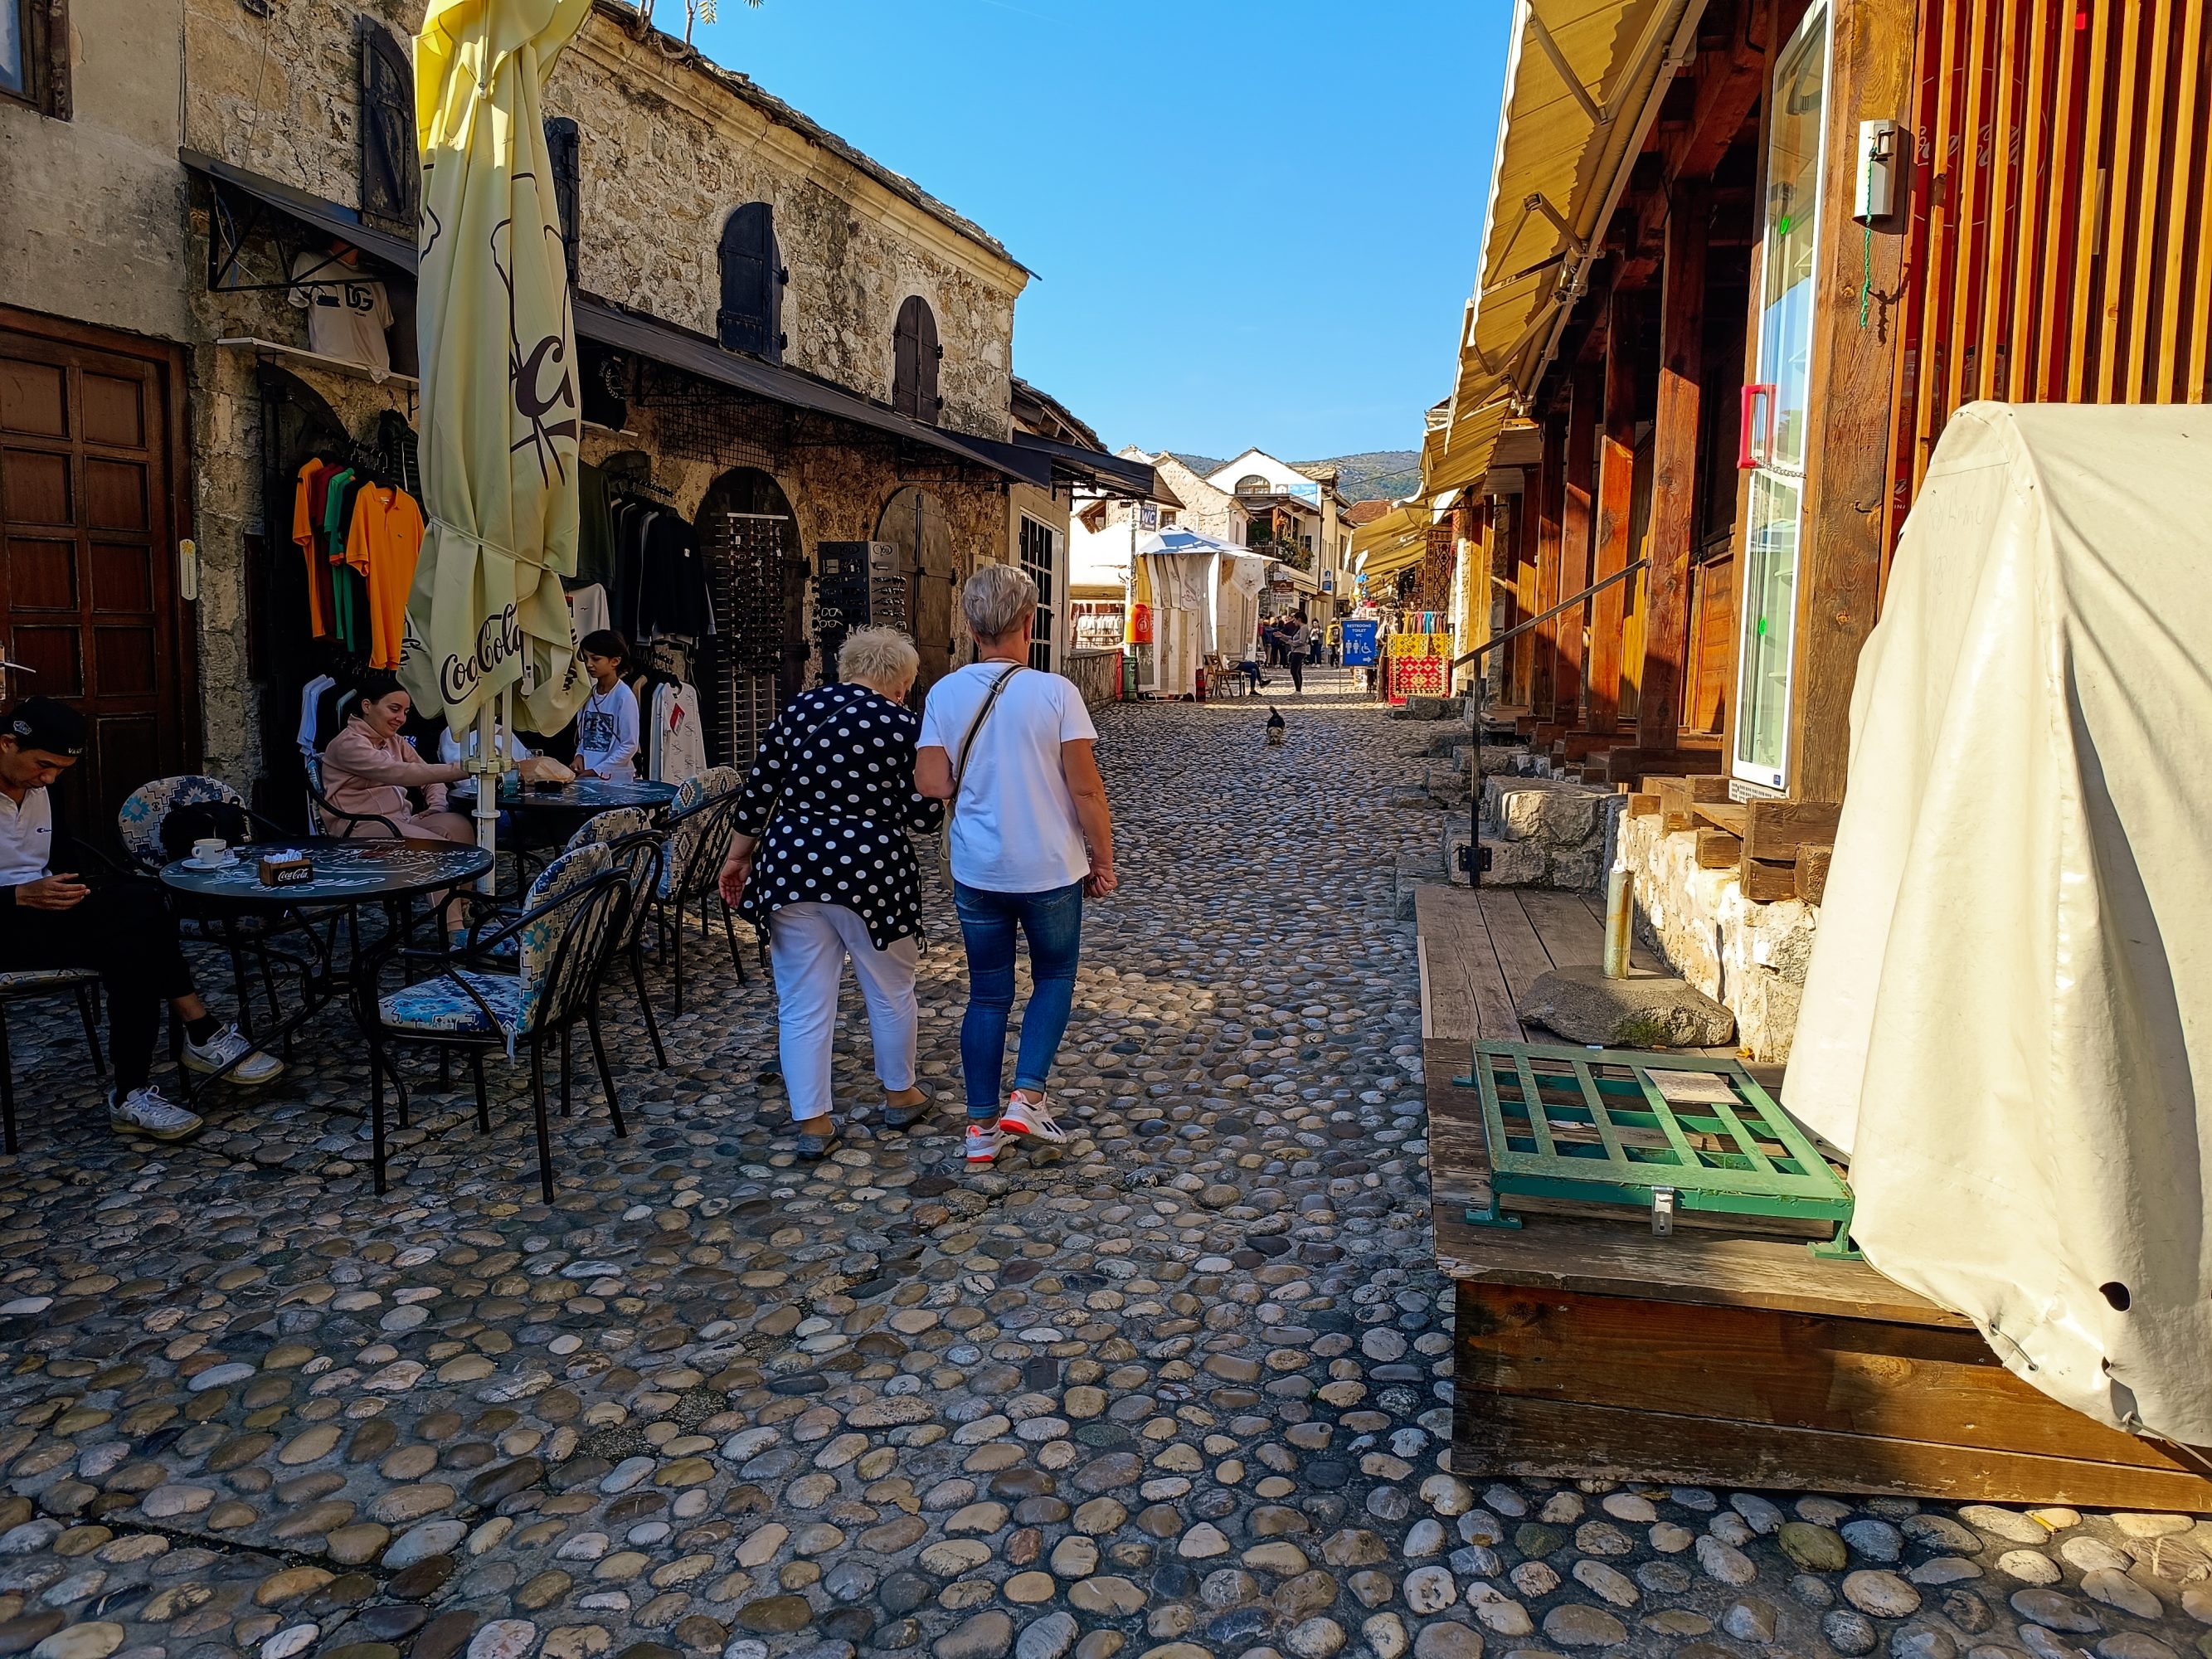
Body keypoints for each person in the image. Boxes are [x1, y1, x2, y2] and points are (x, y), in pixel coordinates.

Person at [0, 698, 281, 1141]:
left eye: (58, 770)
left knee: (144, 909)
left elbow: (62, 860)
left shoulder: (43, 787)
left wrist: (77, 890)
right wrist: (16, 895)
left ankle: (134, 1091)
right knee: (132, 936)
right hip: (5, 924)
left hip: (48, 914)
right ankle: (198, 1032)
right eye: (42, 765)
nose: (49, 778)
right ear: (6, 743)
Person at [916, 564, 1116, 1168]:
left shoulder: (944, 692)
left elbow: (930, 783)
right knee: (1053, 977)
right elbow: (1085, 791)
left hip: (979, 871)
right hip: (1050, 867)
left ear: (970, 626)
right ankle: (1027, 1096)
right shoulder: (1055, 692)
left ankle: (980, 1130)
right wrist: (1102, 860)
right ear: (1028, 621)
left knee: (987, 995)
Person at [717, 628, 942, 1160]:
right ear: (900, 682)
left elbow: (757, 795)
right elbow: (925, 814)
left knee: (801, 1002)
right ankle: (900, 1094)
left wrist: (737, 856)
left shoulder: (797, 712)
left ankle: (813, 1123)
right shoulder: (904, 726)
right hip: (874, 873)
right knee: (890, 991)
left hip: (790, 865)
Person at [318, 674, 474, 844]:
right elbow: (399, 773)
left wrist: (437, 806)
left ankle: (466, 871)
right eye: (394, 709)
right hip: (360, 825)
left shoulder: (394, 740)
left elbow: (429, 778)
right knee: (439, 846)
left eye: (406, 712)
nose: (401, 719)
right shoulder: (348, 743)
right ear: (367, 706)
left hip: (400, 820)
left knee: (459, 825)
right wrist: (462, 770)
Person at [573, 630, 639, 780]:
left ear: (615, 661)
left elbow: (630, 745)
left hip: (615, 780)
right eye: (586, 658)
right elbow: (586, 736)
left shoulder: (624, 697)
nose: (589, 664)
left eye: (596, 659)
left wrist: (598, 770)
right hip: (588, 777)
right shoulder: (589, 695)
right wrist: (579, 755)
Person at [1278, 610, 1314, 695]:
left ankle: (1298, 690)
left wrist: (1292, 644)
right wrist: (1282, 636)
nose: (1294, 622)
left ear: (1299, 619)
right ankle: (1298, 690)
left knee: (1294, 670)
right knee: (1298, 671)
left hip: (1299, 651)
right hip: (1296, 650)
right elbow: (1293, 638)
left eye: (1295, 620)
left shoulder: (1304, 628)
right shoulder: (1300, 628)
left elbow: (1301, 641)